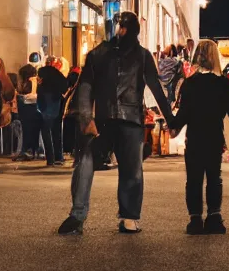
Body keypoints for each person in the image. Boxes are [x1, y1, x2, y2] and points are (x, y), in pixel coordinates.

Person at [58, 12, 173, 236]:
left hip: (102, 119)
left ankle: (78, 215)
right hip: (131, 120)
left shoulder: (98, 54)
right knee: (131, 170)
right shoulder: (143, 55)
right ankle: (129, 219)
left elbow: (85, 88)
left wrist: (86, 118)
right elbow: (156, 89)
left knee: (85, 162)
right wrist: (171, 120)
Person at [169, 40, 229, 235]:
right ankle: (214, 217)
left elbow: (184, 113)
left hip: (194, 137)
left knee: (193, 179)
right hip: (214, 137)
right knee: (214, 177)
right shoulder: (222, 83)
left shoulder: (189, 84)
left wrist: (174, 127)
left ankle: (195, 220)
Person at [38, 56, 68, 166]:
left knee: (46, 130)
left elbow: (39, 87)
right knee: (57, 131)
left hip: (44, 103)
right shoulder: (57, 74)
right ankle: (58, 157)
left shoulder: (41, 72)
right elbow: (65, 85)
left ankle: (50, 158)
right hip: (56, 101)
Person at [16, 63, 40, 161]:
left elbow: (32, 94)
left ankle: (27, 150)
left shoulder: (31, 81)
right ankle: (31, 150)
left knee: (28, 130)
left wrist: (22, 96)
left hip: (28, 108)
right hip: (32, 109)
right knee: (32, 131)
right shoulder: (36, 81)